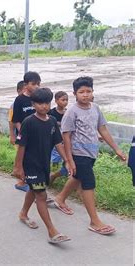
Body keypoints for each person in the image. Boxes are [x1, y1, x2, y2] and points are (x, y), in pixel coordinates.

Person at [53, 76, 126, 235]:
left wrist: (117, 149)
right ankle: (94, 221)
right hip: (78, 153)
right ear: (74, 94)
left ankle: (60, 199)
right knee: (88, 182)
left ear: (93, 92)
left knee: (77, 177)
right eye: (81, 92)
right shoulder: (71, 112)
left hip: (91, 152)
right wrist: (69, 160)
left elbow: (103, 129)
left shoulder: (95, 108)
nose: (85, 95)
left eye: (88, 91)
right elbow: (66, 136)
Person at [12, 88, 71, 244]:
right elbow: (22, 146)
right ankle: (52, 231)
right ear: (33, 104)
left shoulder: (52, 121)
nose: (44, 106)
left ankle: (23, 214)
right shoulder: (28, 122)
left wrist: (66, 159)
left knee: (34, 189)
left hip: (44, 164)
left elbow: (58, 142)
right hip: (30, 165)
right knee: (41, 195)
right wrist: (18, 167)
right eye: (40, 103)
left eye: (46, 103)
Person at [12, 71, 41, 192]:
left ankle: (34, 182)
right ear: (26, 84)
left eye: (38, 84)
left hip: (38, 134)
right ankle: (21, 181)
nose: (37, 87)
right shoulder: (19, 100)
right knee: (24, 157)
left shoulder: (38, 98)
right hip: (25, 134)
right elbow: (16, 120)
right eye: (33, 84)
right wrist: (21, 132)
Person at [49, 91, 69, 184]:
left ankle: (60, 173)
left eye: (66, 100)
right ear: (56, 101)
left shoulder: (68, 112)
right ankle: (53, 172)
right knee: (56, 157)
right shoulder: (52, 112)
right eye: (63, 100)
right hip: (55, 139)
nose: (65, 102)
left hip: (66, 139)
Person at [9, 81, 25, 145]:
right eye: (25, 90)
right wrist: (12, 135)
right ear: (19, 91)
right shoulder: (14, 105)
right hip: (20, 133)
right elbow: (11, 121)